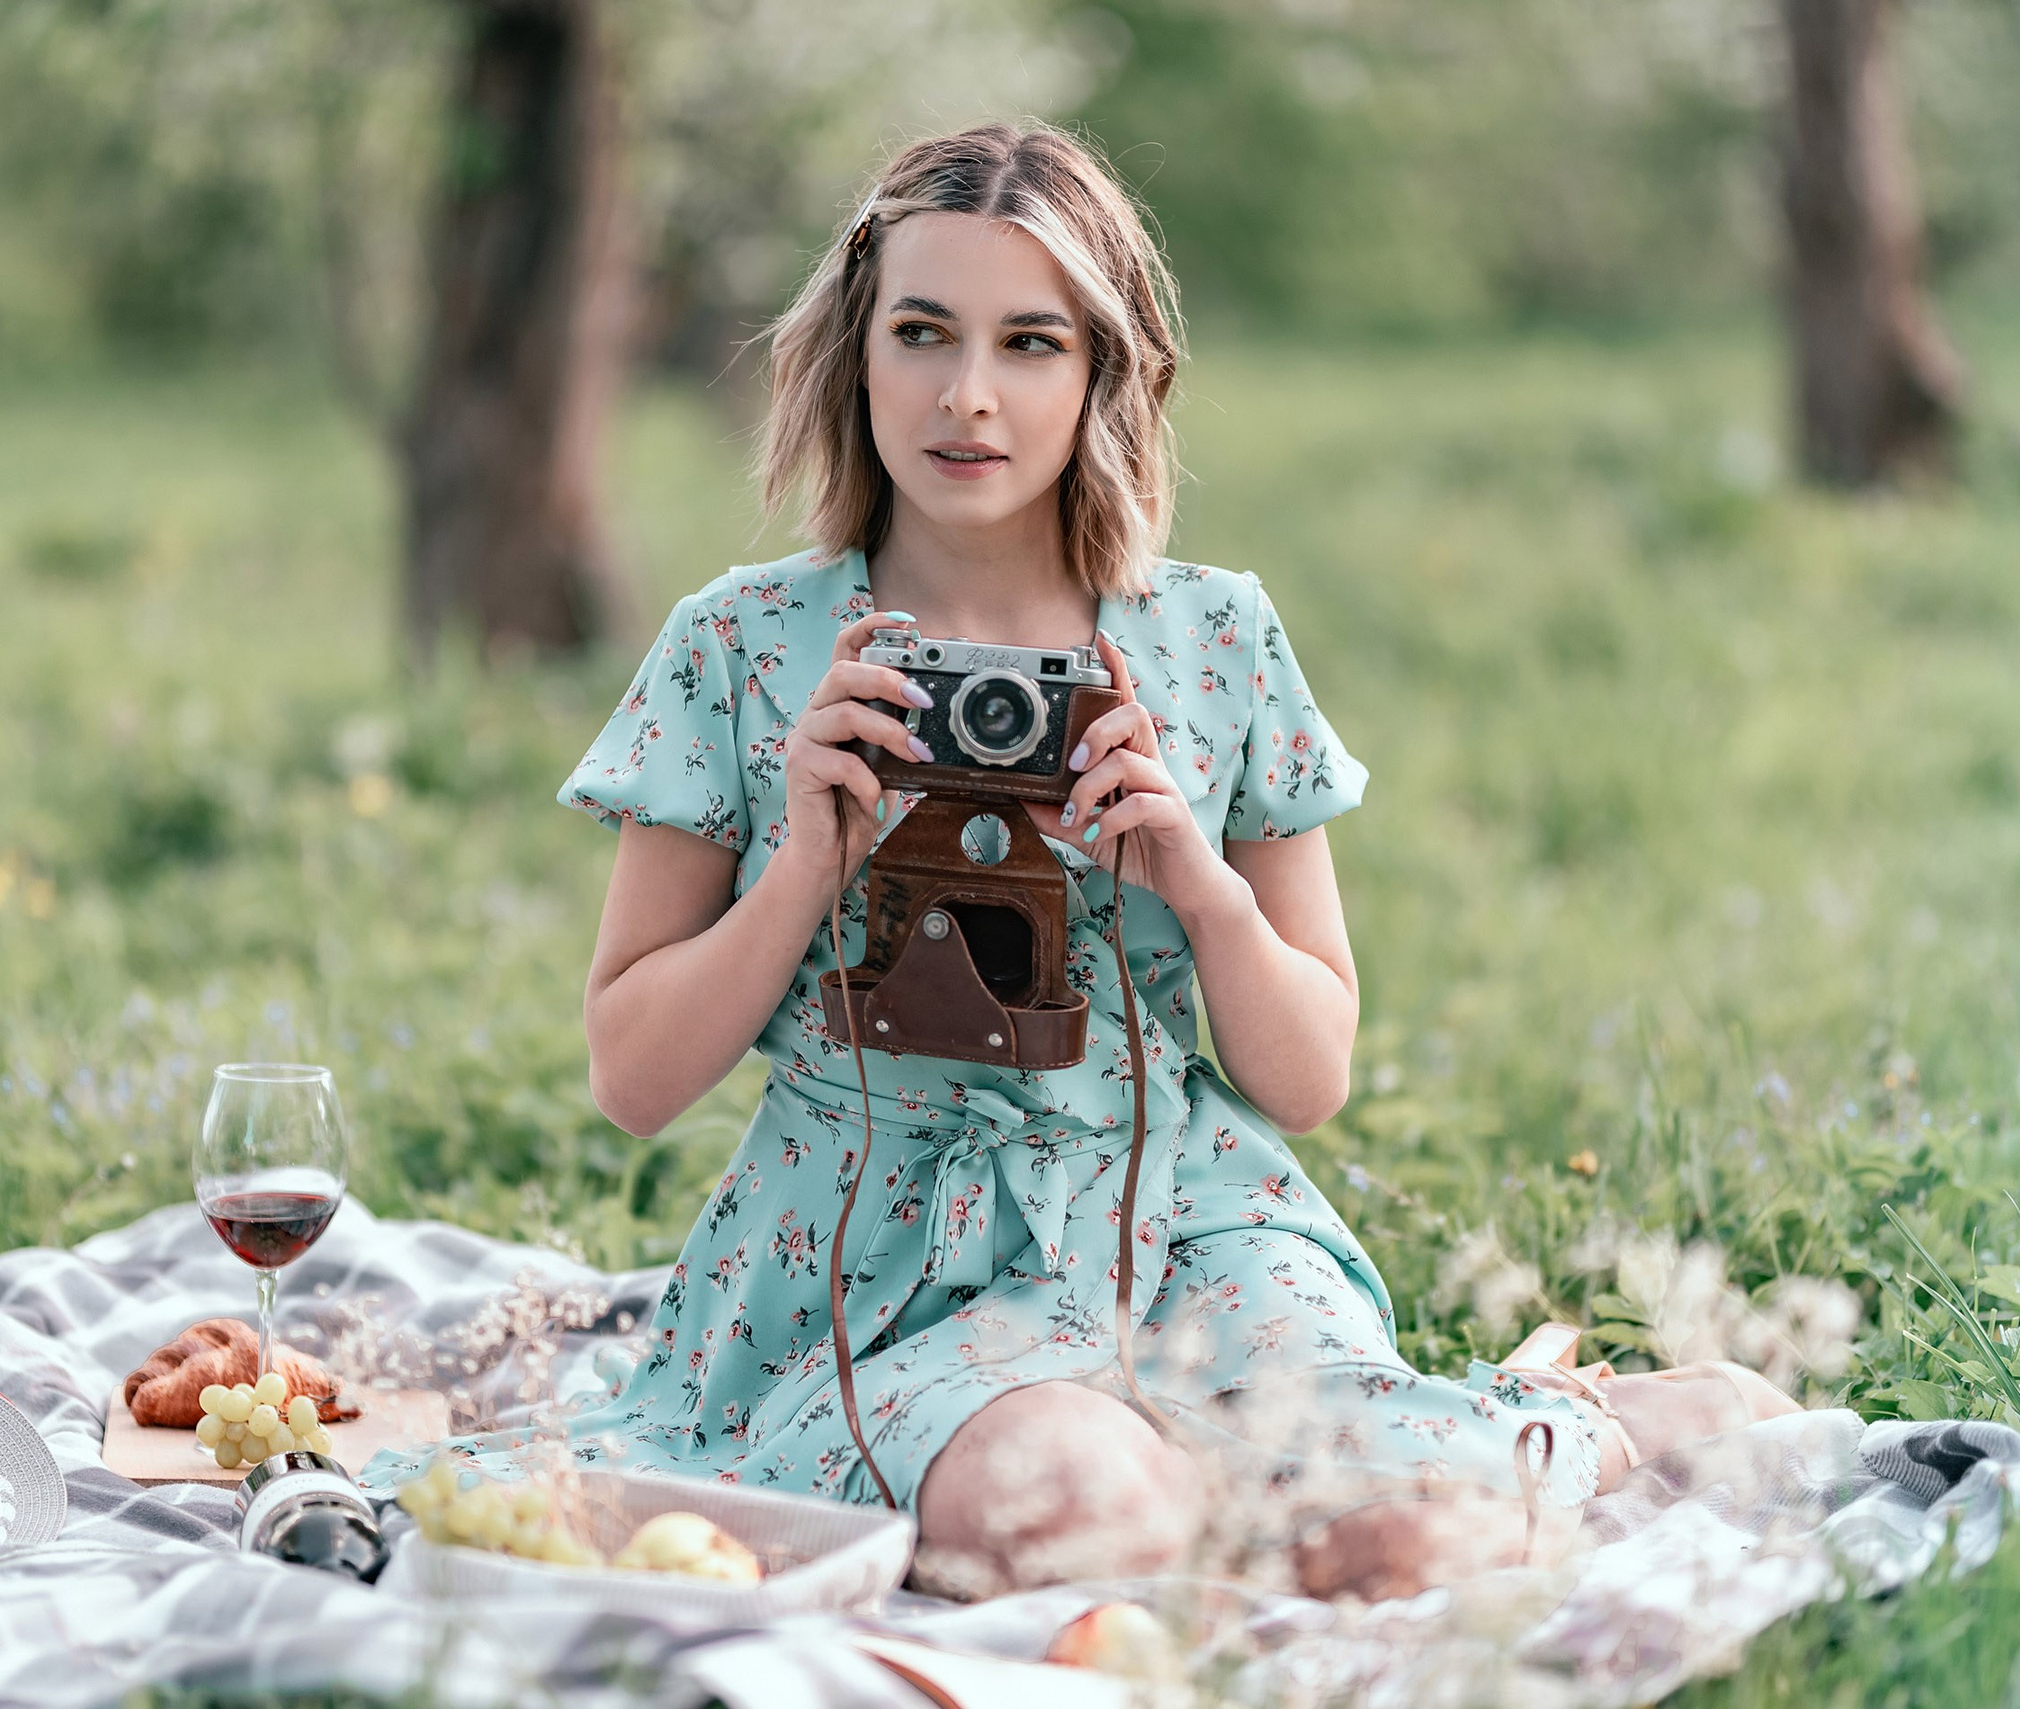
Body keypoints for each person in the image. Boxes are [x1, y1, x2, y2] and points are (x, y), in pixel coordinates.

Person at [555, 122, 1795, 1599]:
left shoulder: (1211, 639)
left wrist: (1199, 887)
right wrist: (801, 866)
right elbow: (631, 1080)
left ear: (1102, 372)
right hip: (867, 1258)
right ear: (855, 354)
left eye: (1030, 343)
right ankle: (1213, 1475)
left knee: (1418, 1543)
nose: (969, 396)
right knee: (1087, 1517)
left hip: (1182, 1215)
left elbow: (1309, 1074)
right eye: (923, 334)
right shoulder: (740, 645)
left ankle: (1570, 1428)